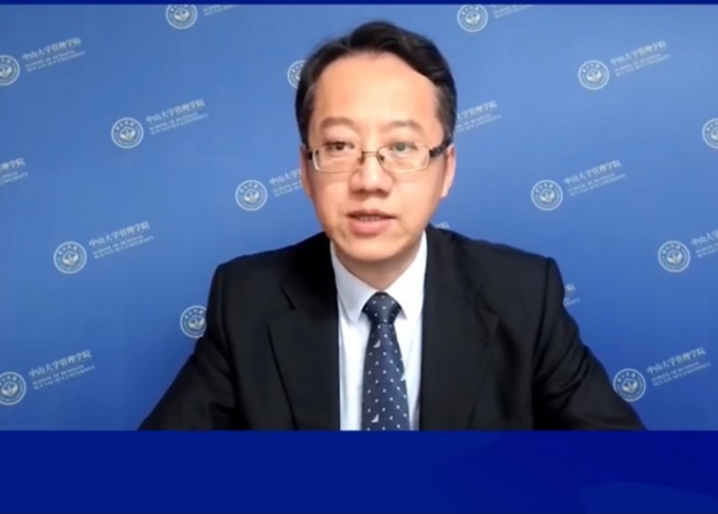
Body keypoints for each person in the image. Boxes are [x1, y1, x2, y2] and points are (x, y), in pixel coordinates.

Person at [141, 21, 644, 431]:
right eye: (339, 147)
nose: (370, 180)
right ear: (305, 171)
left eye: (401, 147)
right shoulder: (246, 301)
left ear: (446, 169)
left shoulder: (523, 296)